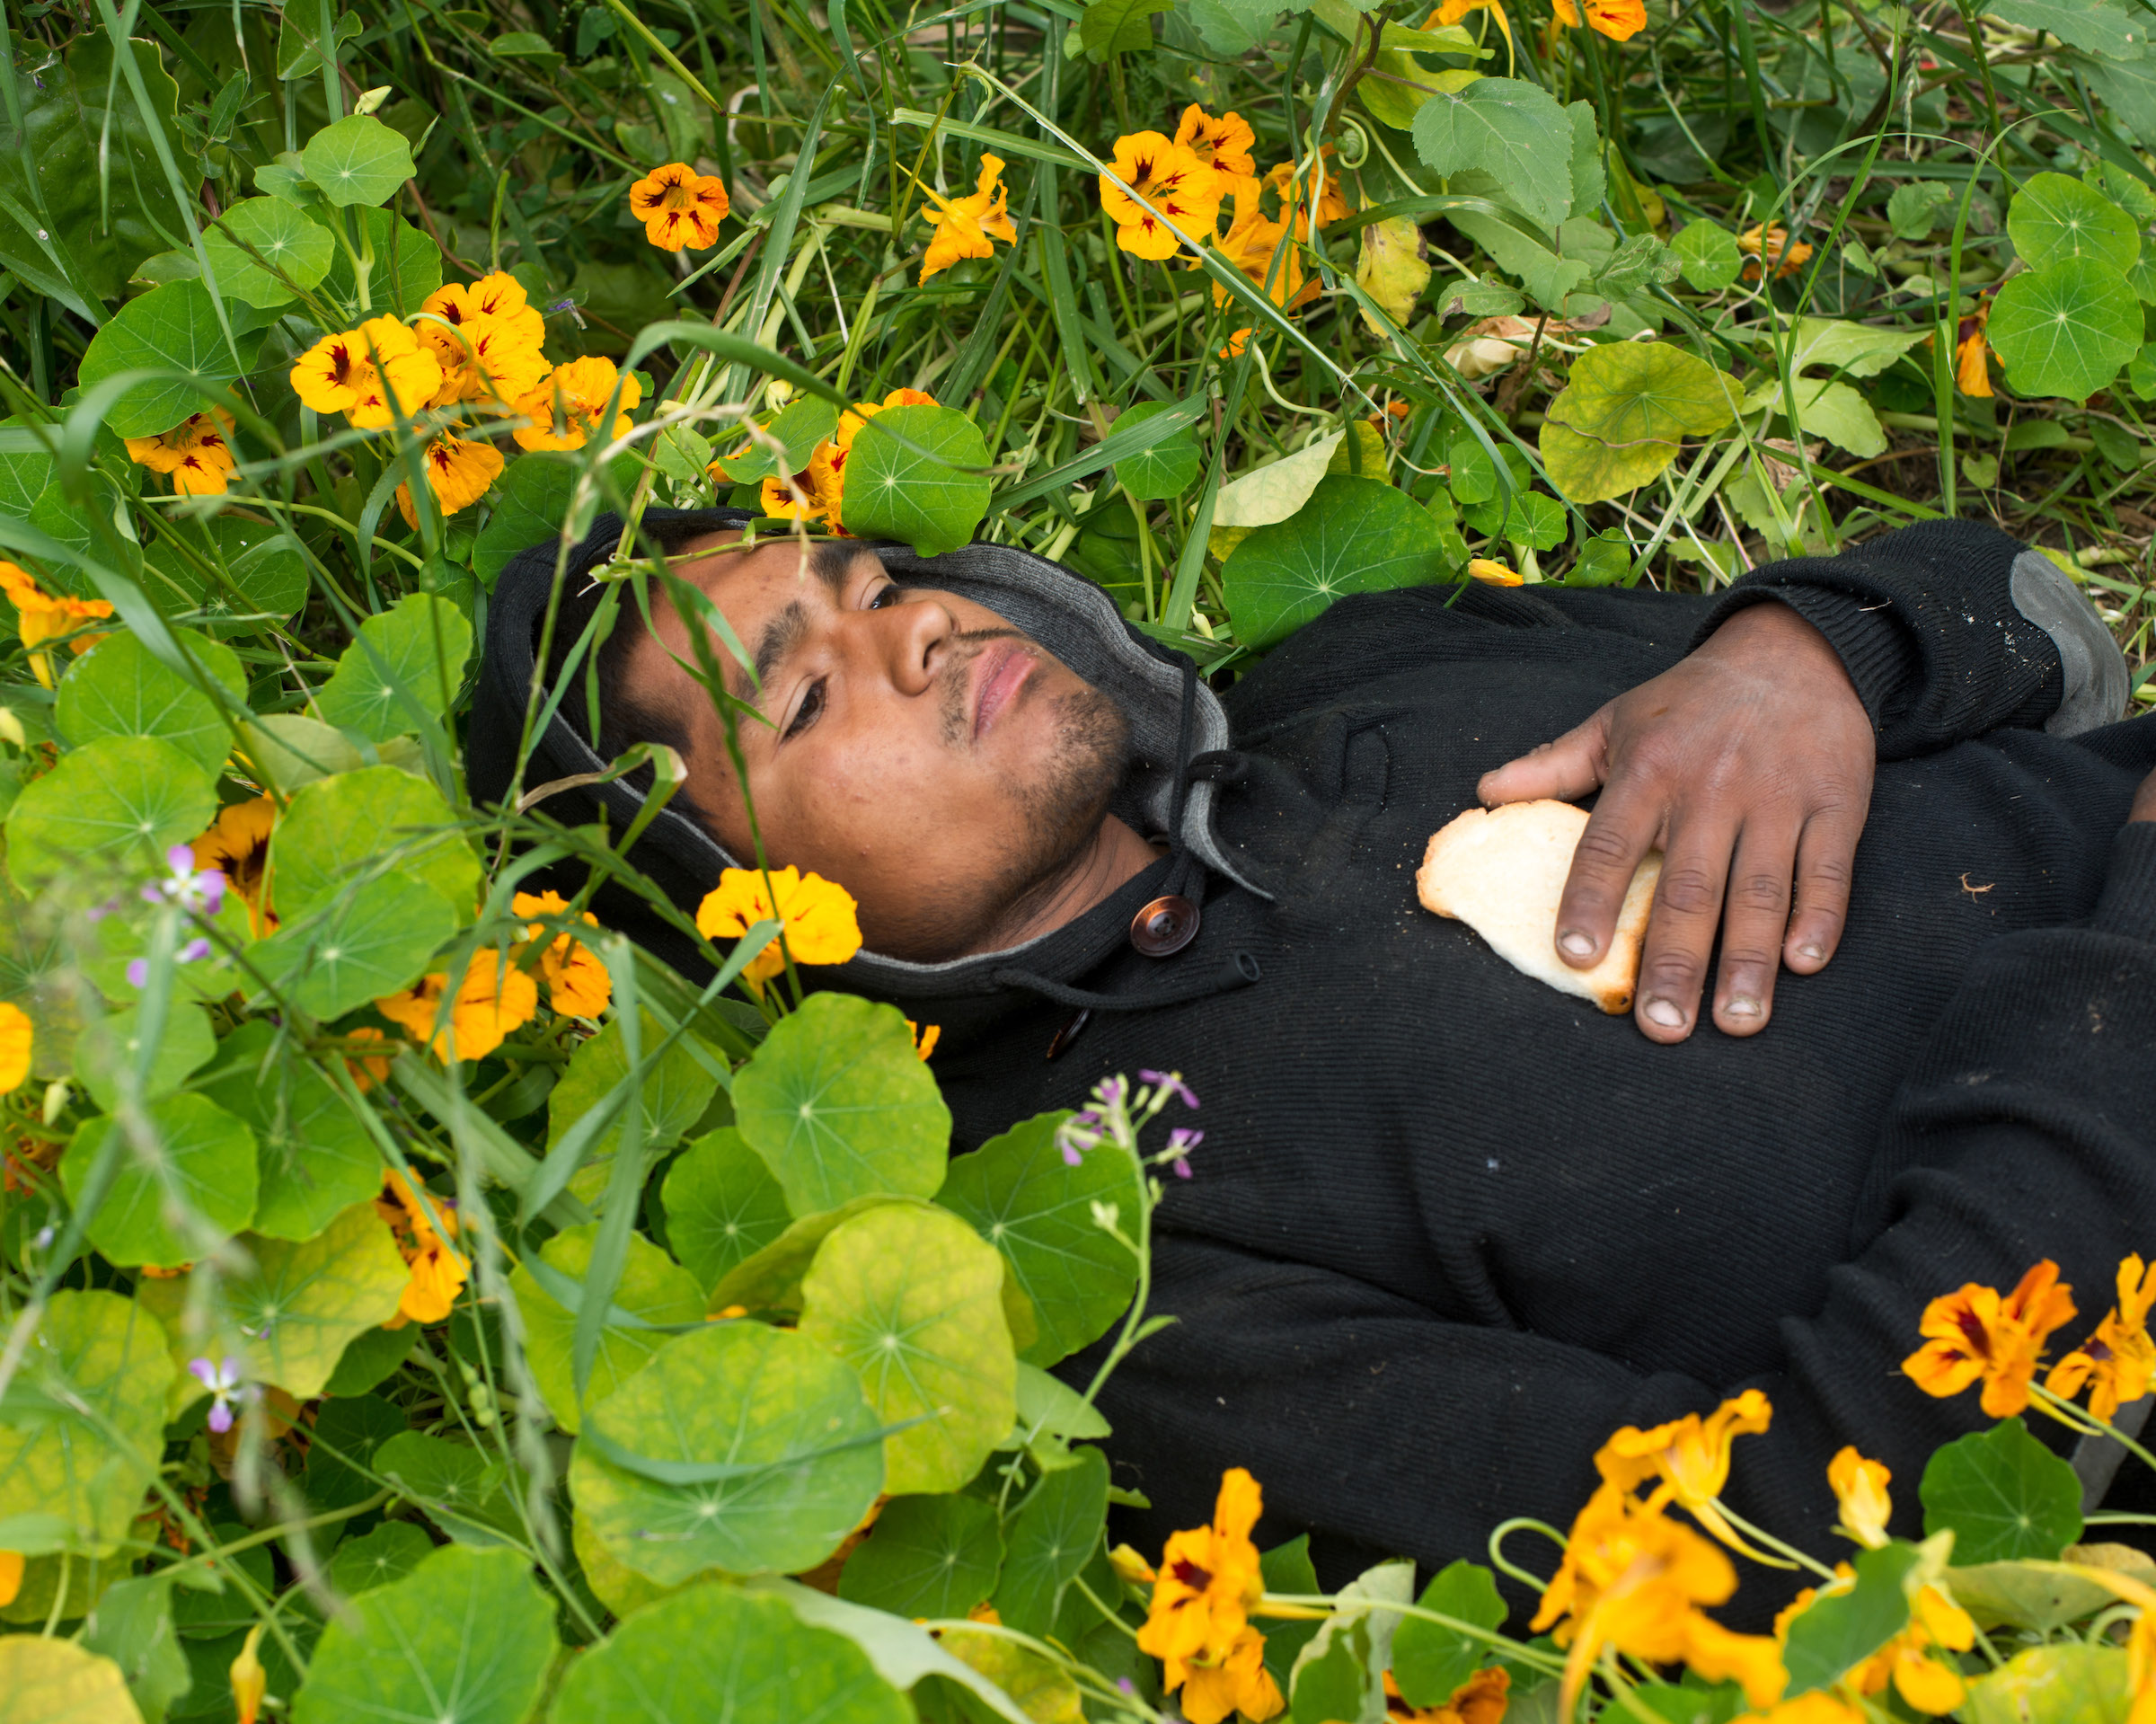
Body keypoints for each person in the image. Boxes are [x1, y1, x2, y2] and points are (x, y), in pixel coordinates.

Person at [470, 509, 2156, 1620]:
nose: (914, 636)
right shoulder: (1124, 1269)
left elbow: (2054, 637)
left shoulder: (1365, 660)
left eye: (877, 585)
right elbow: (1790, 1539)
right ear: (733, 910)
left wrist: (1809, 651)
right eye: (803, 700)